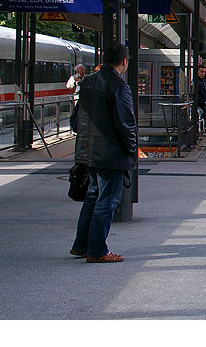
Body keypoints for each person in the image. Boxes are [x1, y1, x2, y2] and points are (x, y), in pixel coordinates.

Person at [70, 43, 137, 263]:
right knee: (107, 201)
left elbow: (75, 121)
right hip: (110, 154)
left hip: (87, 152)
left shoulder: (88, 82)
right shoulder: (118, 87)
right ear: (124, 62)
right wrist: (132, 149)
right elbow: (126, 124)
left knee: (92, 198)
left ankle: (81, 245)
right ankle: (97, 250)